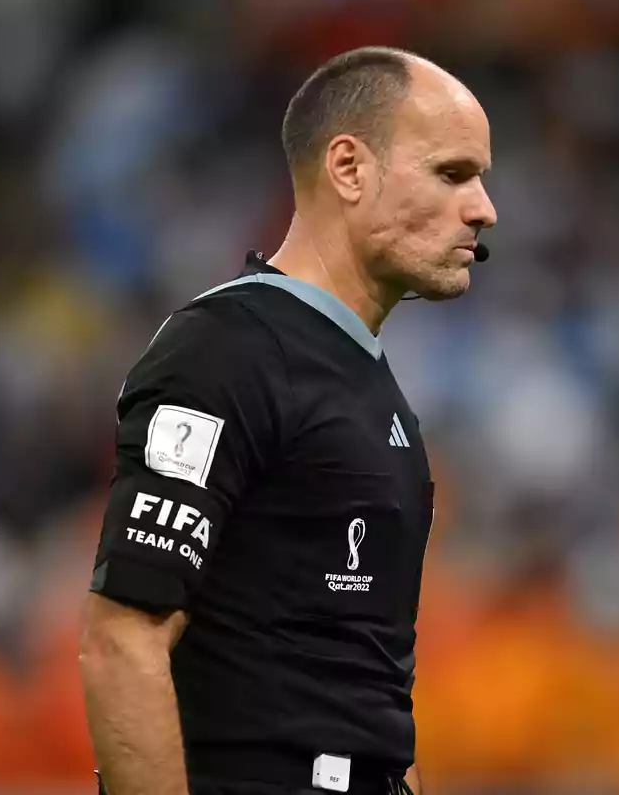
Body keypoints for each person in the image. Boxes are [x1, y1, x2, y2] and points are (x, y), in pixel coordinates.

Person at [78, 45, 497, 795]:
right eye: (452, 173)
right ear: (348, 168)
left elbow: (370, 688)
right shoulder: (227, 350)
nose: (483, 208)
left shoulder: (372, 385)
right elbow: (125, 636)